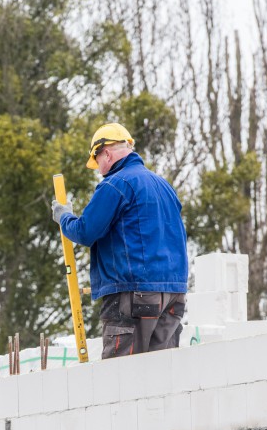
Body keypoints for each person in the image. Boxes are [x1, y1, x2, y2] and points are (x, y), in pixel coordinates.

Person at [51, 123, 188, 359]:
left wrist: (64, 218)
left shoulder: (116, 184)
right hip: (174, 294)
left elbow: (85, 231)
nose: (99, 170)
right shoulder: (164, 186)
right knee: (163, 375)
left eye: (98, 163)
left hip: (135, 292)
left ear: (106, 153)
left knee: (121, 377)